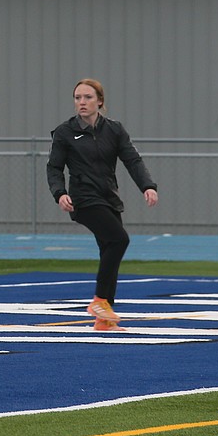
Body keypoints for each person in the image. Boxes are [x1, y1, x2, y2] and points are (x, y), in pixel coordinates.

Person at [46, 78, 158, 331]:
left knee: (109, 249)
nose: (81, 102)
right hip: (83, 199)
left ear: (100, 101)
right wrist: (59, 193)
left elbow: (132, 160)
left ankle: (104, 319)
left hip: (108, 197)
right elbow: (54, 167)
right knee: (119, 240)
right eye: (77, 98)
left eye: (87, 97)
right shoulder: (65, 132)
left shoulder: (114, 130)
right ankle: (99, 301)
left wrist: (148, 186)